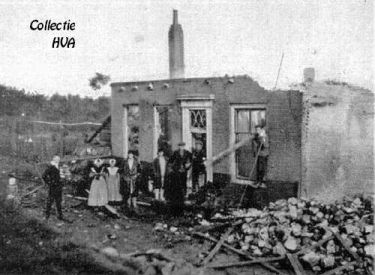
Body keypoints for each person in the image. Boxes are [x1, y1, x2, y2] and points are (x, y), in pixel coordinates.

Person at [167, 141, 192, 216]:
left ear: (184, 146)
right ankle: (178, 196)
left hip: (184, 171)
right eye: (180, 146)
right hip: (177, 171)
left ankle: (184, 195)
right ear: (179, 147)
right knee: (178, 184)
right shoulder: (175, 153)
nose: (181, 147)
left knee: (184, 183)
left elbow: (190, 161)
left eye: (183, 146)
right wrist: (172, 169)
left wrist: (188, 166)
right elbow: (170, 161)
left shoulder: (187, 153)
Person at [43, 155, 64, 220]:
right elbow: (44, 176)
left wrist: (62, 181)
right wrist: (49, 183)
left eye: (59, 159)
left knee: (59, 201)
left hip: (59, 187)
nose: (58, 160)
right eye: (57, 159)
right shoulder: (51, 167)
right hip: (53, 187)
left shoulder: (59, 166)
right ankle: (47, 216)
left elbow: (61, 176)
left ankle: (60, 216)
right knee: (50, 201)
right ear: (54, 159)